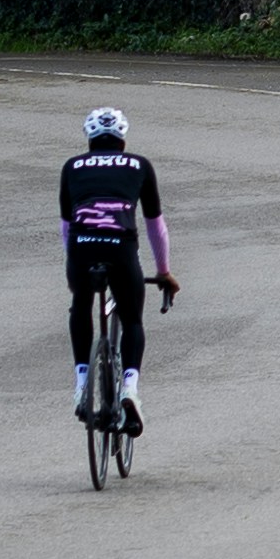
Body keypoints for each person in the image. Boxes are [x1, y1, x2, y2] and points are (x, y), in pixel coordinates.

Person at [58, 102, 176, 440]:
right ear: (122, 139)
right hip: (121, 247)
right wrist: (164, 271)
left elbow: (66, 227)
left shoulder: (72, 166)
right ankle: (129, 390)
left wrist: (75, 271)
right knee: (132, 318)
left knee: (80, 305)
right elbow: (156, 227)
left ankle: (82, 385)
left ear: (89, 139)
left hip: (82, 246)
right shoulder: (139, 165)